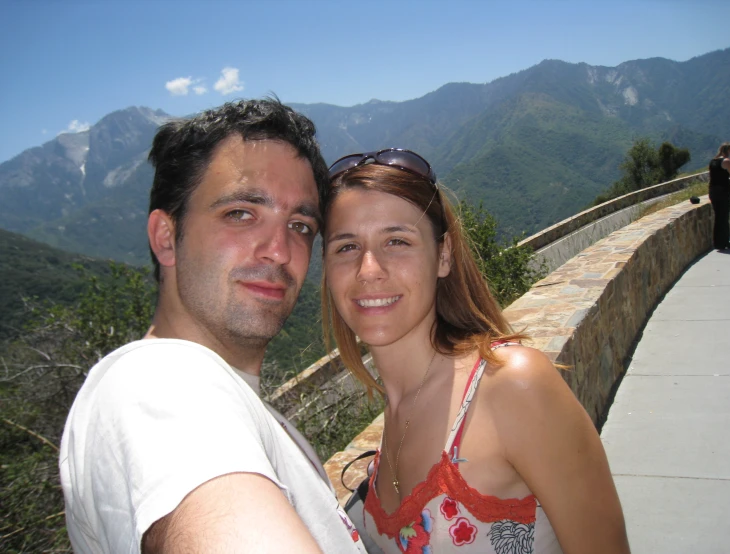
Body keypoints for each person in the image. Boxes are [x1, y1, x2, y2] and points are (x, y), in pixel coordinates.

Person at [59, 99, 367, 553]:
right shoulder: (157, 388)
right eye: (240, 213)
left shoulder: (234, 400)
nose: (279, 251)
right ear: (166, 237)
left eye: (300, 225)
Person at [321, 149, 630, 553]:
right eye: (346, 247)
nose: (369, 269)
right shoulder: (396, 415)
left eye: (397, 241)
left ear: (443, 255)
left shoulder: (512, 386)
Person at [708, 142, 730, 250]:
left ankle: (718, 243)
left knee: (718, 217)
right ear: (728, 151)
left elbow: (713, 176)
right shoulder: (726, 161)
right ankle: (725, 242)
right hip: (723, 192)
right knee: (724, 217)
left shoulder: (713, 161)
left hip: (713, 191)